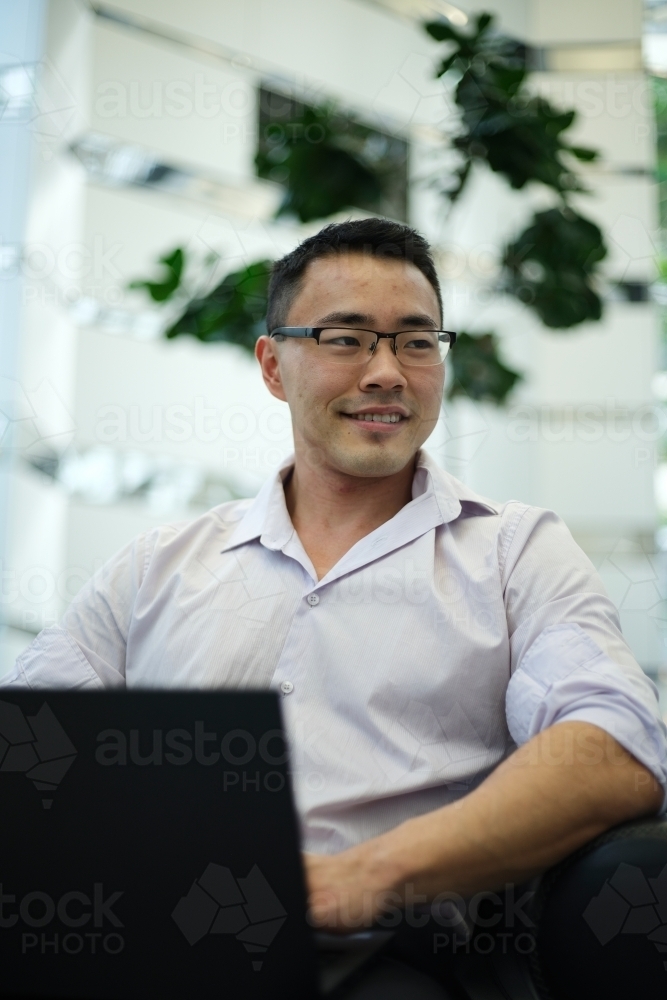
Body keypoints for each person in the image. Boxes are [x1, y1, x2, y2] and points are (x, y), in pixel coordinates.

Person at [4, 219, 666, 998]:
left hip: (379, 958)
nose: (386, 371)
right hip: (134, 947)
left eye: (416, 342)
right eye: (345, 338)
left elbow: (614, 749)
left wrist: (363, 876)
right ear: (273, 365)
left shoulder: (512, 552)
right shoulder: (157, 567)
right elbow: (26, 753)